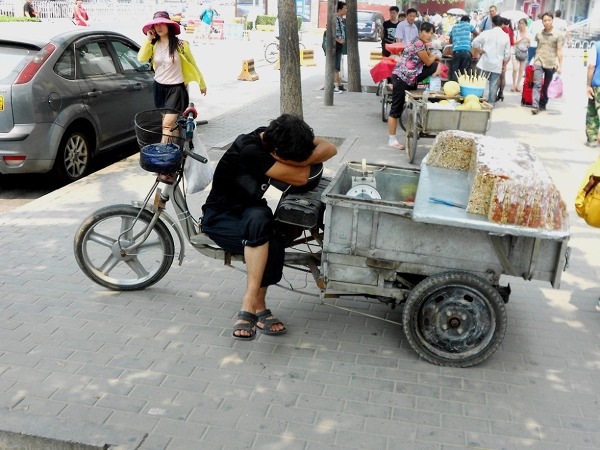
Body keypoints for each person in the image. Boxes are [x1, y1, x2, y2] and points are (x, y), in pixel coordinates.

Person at [201, 115, 337, 340]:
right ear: (274, 150)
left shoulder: (280, 133)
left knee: (266, 227)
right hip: (222, 216)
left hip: (251, 209)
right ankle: (254, 305)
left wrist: (301, 160)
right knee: (269, 240)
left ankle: (252, 304)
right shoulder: (250, 150)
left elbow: (330, 148)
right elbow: (302, 178)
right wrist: (303, 165)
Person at [137, 11, 207, 139]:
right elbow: (141, 58)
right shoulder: (153, 45)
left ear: (169, 25)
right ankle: (176, 151)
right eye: (156, 24)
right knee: (170, 125)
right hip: (159, 88)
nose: (159, 27)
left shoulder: (181, 45)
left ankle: (165, 156)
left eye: (162, 24)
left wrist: (201, 83)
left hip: (176, 89)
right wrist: (148, 39)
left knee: (167, 125)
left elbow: (193, 64)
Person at [387, 22, 441, 150]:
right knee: (395, 110)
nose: (429, 35)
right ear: (420, 32)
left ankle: (432, 82)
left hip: (410, 78)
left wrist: (433, 57)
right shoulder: (418, 44)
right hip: (401, 78)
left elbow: (429, 60)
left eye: (432, 33)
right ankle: (392, 140)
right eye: (427, 32)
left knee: (435, 65)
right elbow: (428, 61)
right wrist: (435, 56)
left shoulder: (421, 43)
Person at [471, 15, 511, 105]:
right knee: (493, 84)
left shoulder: (486, 33)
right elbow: (507, 53)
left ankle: (477, 100)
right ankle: (491, 103)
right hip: (497, 64)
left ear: (492, 24)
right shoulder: (505, 36)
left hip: (485, 62)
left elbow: (474, 42)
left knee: (481, 82)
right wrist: (504, 64)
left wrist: (480, 50)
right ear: (502, 24)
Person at [530, 12, 563, 115]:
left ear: (552, 20)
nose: (547, 22)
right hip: (539, 62)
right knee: (537, 84)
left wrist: (560, 66)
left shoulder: (558, 34)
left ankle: (543, 103)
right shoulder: (539, 34)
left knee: (547, 86)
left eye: (549, 20)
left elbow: (559, 50)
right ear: (542, 22)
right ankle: (535, 106)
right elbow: (537, 47)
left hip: (551, 63)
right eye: (545, 20)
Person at [449, 15, 478, 82]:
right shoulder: (469, 25)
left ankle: (454, 87)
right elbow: (477, 33)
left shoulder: (454, 26)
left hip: (456, 52)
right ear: (468, 21)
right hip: (466, 52)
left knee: (455, 72)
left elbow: (450, 41)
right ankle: (464, 88)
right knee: (465, 72)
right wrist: (472, 40)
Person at [496, 17, 514, 101]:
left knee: (499, 76)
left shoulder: (503, 30)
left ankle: (497, 93)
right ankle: (501, 93)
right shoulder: (510, 30)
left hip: (501, 54)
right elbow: (512, 43)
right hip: (506, 54)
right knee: (502, 75)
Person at [586, 41, 600, 147]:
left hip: (597, 85)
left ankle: (592, 140)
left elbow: (591, 66)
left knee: (592, 111)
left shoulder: (596, 46)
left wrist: (588, 85)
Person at [512, 18, 530, 92]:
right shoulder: (516, 33)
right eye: (520, 23)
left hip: (524, 53)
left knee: (521, 70)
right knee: (515, 69)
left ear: (526, 24)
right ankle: (513, 84)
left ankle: (518, 84)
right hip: (515, 52)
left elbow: (529, 44)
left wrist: (528, 42)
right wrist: (522, 39)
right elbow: (514, 42)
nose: (521, 25)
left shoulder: (528, 33)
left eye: (523, 23)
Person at [333, 1, 347, 93]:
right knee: (335, 67)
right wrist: (338, 40)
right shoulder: (335, 19)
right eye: (345, 8)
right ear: (339, 9)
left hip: (339, 45)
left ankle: (339, 85)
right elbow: (330, 32)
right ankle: (335, 86)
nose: (346, 10)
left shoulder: (340, 19)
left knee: (336, 66)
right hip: (335, 45)